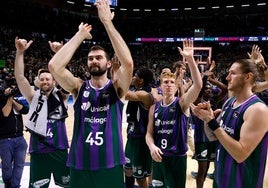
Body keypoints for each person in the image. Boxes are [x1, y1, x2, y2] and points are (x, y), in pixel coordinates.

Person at [48, 0, 134, 187]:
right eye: (90, 58)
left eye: (99, 58)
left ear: (108, 63)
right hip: (80, 164)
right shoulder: (78, 87)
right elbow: (54, 67)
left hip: (110, 164)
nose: (94, 61)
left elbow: (128, 64)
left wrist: (107, 23)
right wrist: (80, 35)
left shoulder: (117, 89)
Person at [190, 58, 268, 188]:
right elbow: (217, 137)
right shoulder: (229, 103)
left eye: (233, 73)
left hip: (241, 182)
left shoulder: (258, 110)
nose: (227, 77)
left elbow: (240, 154)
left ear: (248, 77)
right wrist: (207, 119)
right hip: (221, 179)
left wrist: (212, 122)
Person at [146, 39, 202, 188]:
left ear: (175, 85)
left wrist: (189, 59)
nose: (169, 85)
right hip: (159, 157)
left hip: (177, 158)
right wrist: (151, 146)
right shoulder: (154, 107)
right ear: (160, 85)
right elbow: (149, 134)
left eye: (172, 82)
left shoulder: (182, 103)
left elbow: (198, 86)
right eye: (166, 82)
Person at [14, 38, 70, 188]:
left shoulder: (62, 96)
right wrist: (20, 52)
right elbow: (20, 78)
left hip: (60, 150)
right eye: (42, 79)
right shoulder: (33, 98)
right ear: (38, 82)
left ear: (54, 82)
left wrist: (60, 53)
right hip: (39, 151)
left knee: (69, 184)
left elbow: (66, 76)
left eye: (48, 79)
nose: (45, 81)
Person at [124, 67, 154, 188]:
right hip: (131, 138)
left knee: (140, 178)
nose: (133, 78)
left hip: (141, 141)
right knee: (127, 169)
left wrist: (119, 75)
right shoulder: (138, 90)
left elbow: (124, 94)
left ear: (141, 80)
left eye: (135, 75)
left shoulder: (145, 94)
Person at [0, 83, 29, 188]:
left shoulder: (14, 101)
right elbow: (6, 113)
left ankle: (15, 185)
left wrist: (12, 98)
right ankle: (8, 183)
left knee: (19, 165)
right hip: (4, 140)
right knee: (6, 166)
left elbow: (25, 110)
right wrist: (9, 98)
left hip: (20, 139)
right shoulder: (1, 102)